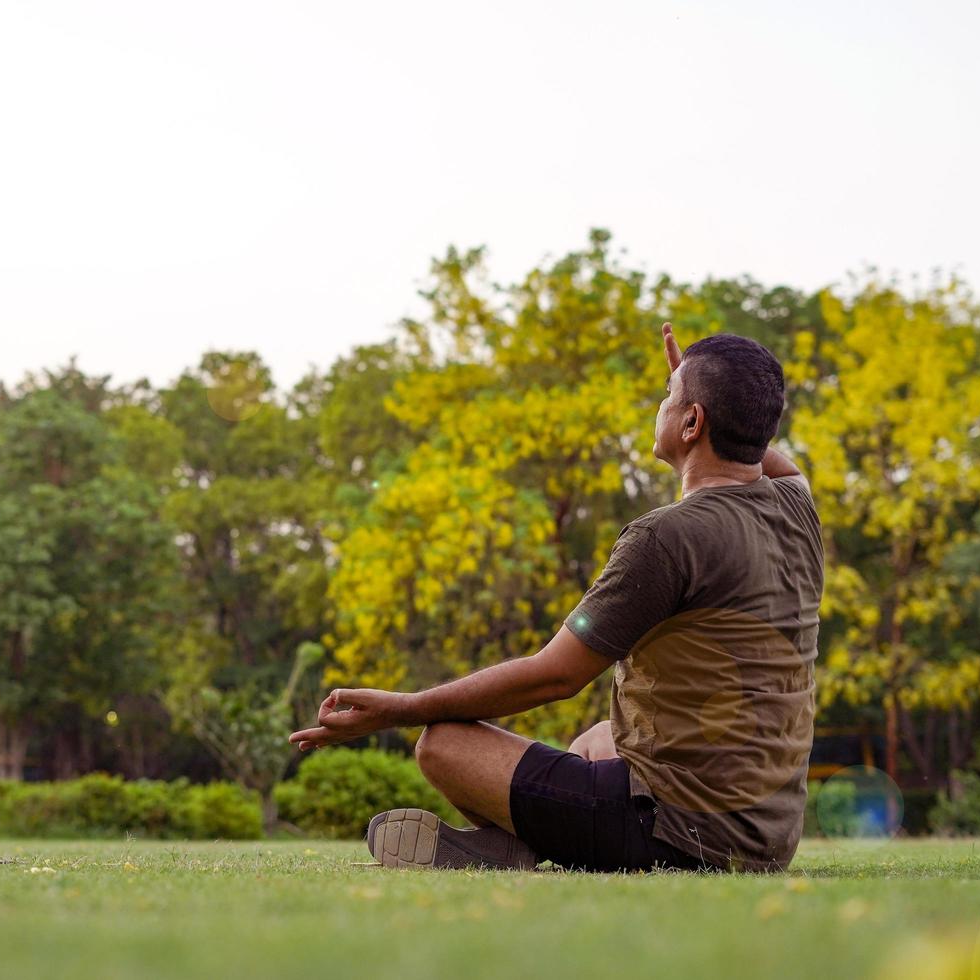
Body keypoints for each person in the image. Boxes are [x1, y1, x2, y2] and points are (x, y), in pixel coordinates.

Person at [289, 323, 823, 874]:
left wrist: (399, 709)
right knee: (598, 740)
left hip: (682, 833)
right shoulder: (795, 505)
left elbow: (555, 676)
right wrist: (706, 394)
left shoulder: (667, 538)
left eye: (670, 397)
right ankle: (514, 845)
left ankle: (533, 841)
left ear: (692, 422)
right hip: (767, 833)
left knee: (444, 743)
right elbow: (755, 448)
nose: (660, 403)